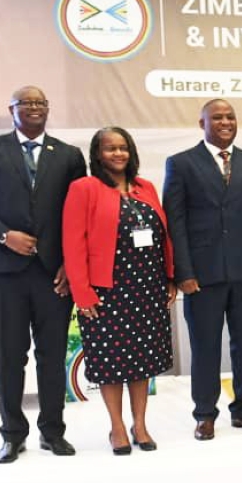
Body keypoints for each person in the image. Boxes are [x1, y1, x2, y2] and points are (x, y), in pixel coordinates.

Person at [0, 86, 86, 464]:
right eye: (25, 103)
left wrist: (69, 263)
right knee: (9, 356)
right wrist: (2, 235)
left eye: (40, 103)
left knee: (52, 355)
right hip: (3, 272)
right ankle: (12, 435)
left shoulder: (69, 155)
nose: (33, 108)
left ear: (48, 109)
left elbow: (78, 215)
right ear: (11, 109)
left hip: (53, 274)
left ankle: (53, 432)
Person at [163, 99, 242, 440]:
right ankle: (204, 414)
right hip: (201, 275)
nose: (225, 122)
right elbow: (176, 223)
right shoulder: (181, 163)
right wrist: (182, 272)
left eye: (230, 116)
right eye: (217, 117)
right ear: (202, 123)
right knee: (205, 347)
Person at [62, 128, 176, 454]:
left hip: (147, 289)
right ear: (98, 154)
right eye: (110, 148)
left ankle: (139, 425)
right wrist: (82, 293)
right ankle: (116, 427)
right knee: (111, 363)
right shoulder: (85, 188)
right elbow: (73, 243)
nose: (117, 154)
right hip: (106, 292)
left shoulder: (146, 187)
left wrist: (170, 277)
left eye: (123, 147)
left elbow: (162, 236)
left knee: (142, 361)